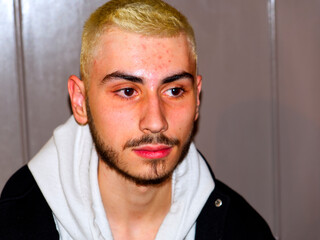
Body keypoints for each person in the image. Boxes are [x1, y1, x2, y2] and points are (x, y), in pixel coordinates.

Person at [0, 0, 275, 239]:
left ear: (197, 99)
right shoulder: (13, 223)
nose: (155, 122)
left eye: (175, 90)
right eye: (128, 91)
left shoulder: (242, 229)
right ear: (80, 102)